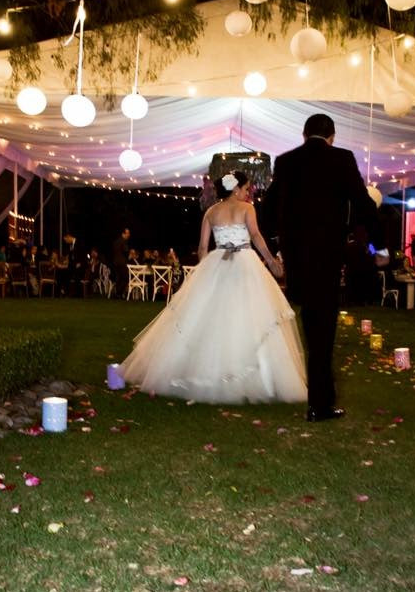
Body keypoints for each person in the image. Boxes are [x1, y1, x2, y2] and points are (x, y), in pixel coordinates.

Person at [120, 171, 306, 404]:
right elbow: (256, 235)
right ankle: (257, 378)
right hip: (245, 263)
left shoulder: (211, 212)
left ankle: (205, 372)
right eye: (246, 189)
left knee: (212, 315)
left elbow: (202, 248)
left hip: (218, 261)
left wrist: (205, 273)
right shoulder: (247, 208)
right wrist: (270, 261)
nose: (248, 193)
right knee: (250, 314)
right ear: (236, 189)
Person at [262, 113, 381, 422]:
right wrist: (378, 242)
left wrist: (274, 245)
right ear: (332, 136)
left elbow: (269, 207)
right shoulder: (342, 159)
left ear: (304, 135)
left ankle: (319, 398)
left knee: (311, 321)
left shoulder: (286, 161)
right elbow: (362, 201)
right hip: (327, 256)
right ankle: (320, 404)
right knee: (323, 328)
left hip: (297, 258)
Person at [112, 228, 131, 296]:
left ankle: (117, 294)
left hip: (116, 262)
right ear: (123, 234)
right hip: (122, 262)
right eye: (127, 233)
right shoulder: (124, 242)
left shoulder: (116, 242)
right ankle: (118, 293)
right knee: (126, 278)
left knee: (119, 278)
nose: (129, 235)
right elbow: (125, 251)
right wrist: (129, 255)